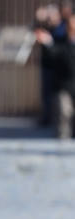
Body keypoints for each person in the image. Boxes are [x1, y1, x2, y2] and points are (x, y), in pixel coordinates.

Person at [35, 10, 75, 139]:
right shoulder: (61, 41)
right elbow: (52, 54)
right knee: (64, 114)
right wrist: (47, 42)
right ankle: (62, 141)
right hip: (63, 85)